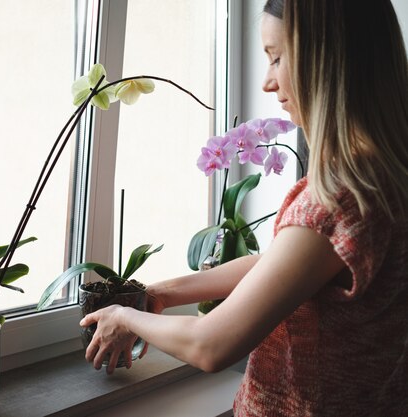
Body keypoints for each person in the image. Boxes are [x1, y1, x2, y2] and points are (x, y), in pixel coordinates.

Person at [79, 0, 408, 415]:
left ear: (326, 60)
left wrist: (125, 319)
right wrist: (162, 292)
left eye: (276, 58)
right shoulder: (385, 178)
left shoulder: (339, 198)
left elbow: (210, 345)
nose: (268, 82)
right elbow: (279, 267)